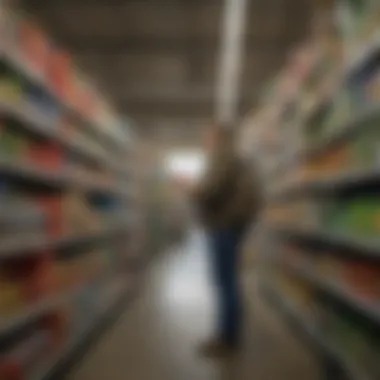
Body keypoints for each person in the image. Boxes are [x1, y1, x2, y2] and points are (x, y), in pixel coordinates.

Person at [193, 122, 261, 357]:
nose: (205, 139)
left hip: (223, 225)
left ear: (218, 137)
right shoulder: (235, 158)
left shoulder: (223, 158)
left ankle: (226, 338)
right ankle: (228, 335)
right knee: (229, 281)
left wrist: (192, 189)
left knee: (225, 283)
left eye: (208, 135)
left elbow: (211, 190)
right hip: (231, 226)